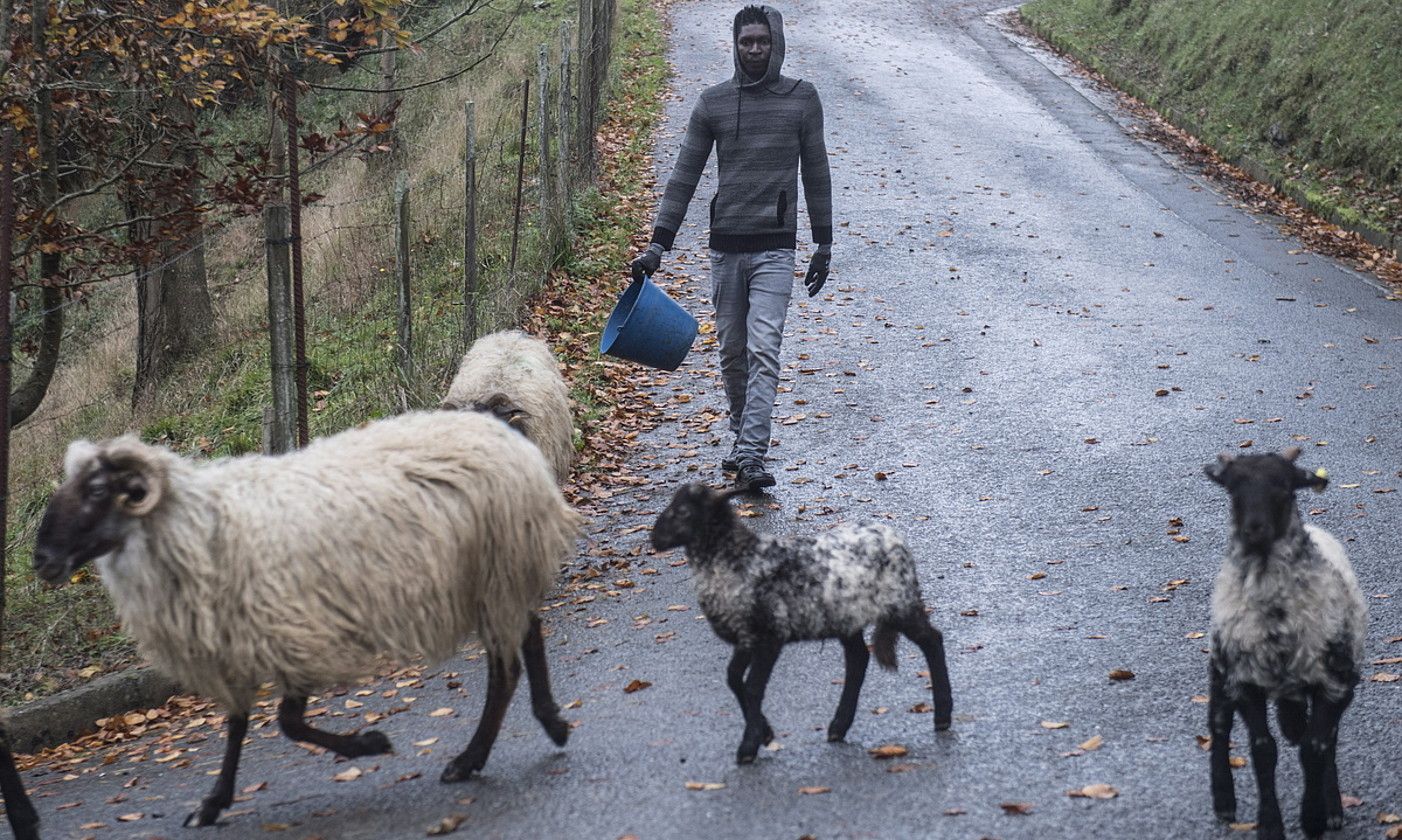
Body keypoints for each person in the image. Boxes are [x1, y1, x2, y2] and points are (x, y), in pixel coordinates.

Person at [631, 4, 833, 492]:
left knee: (765, 348)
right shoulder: (713, 104)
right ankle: (745, 438)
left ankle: (750, 454)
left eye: (763, 40)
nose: (756, 49)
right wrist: (658, 246)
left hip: (775, 250)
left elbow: (817, 171)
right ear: (736, 44)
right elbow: (683, 176)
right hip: (725, 249)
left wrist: (823, 242)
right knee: (732, 353)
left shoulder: (802, 100)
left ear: (776, 42)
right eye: (747, 42)